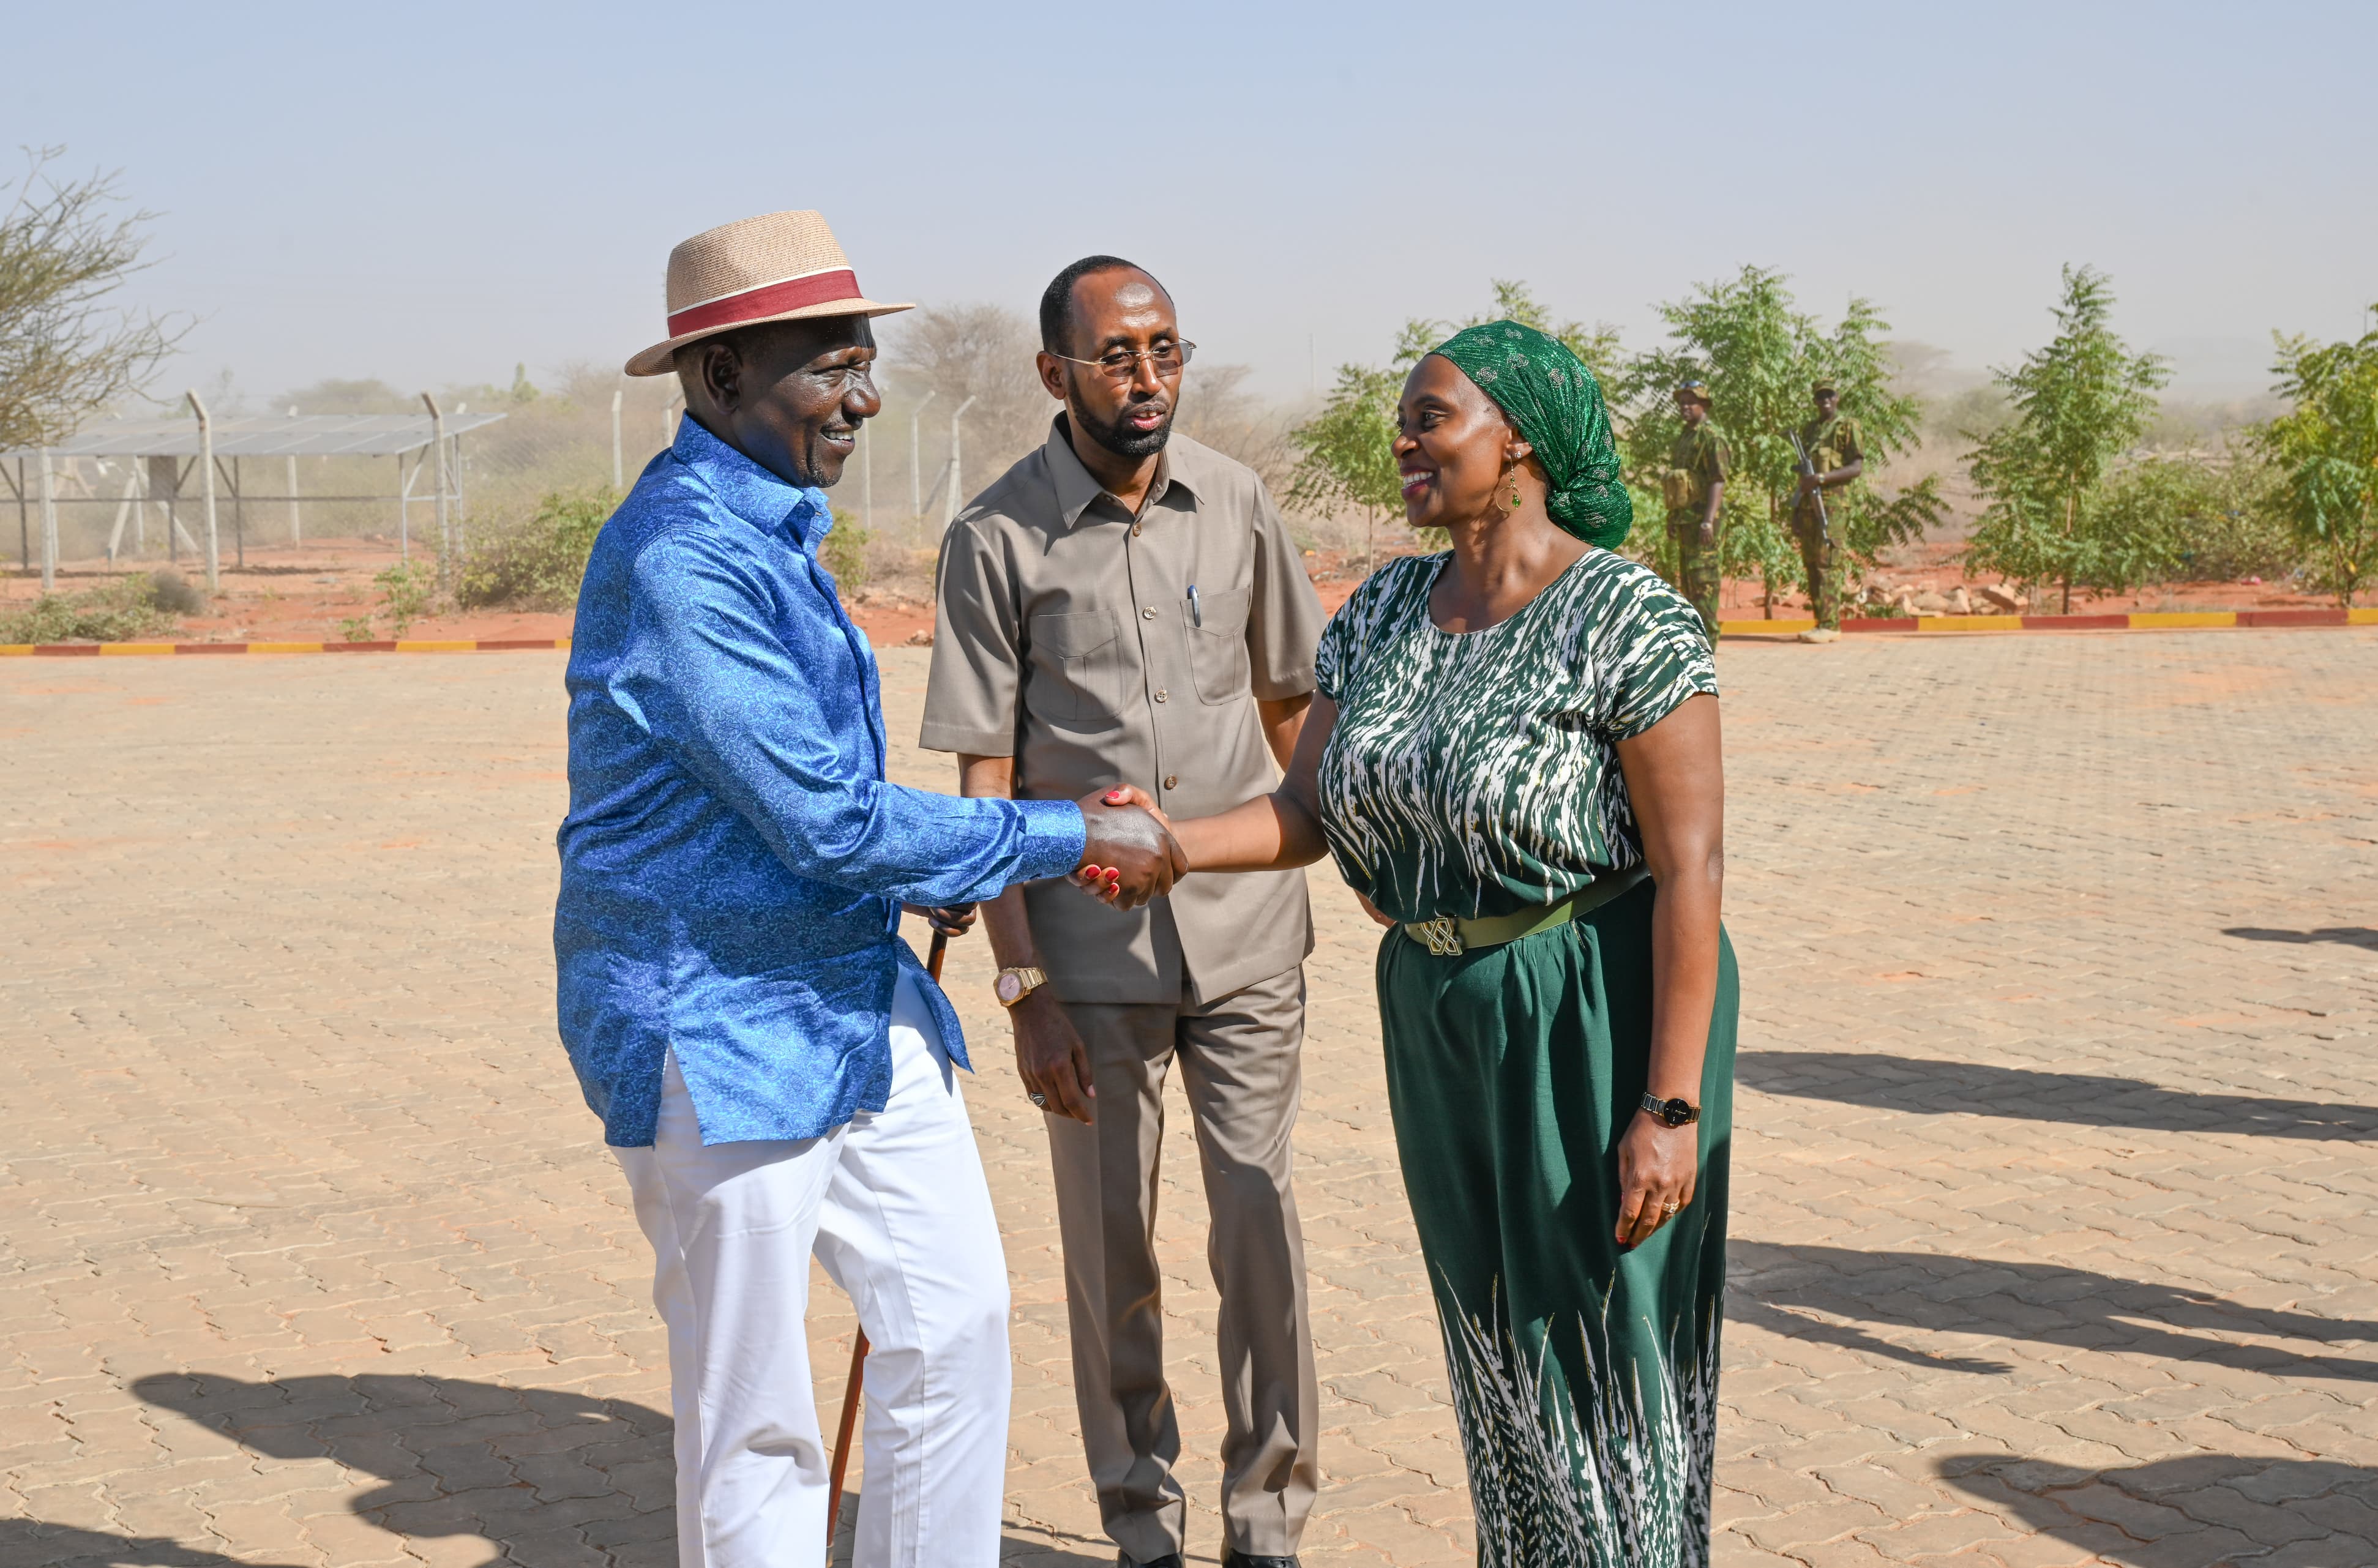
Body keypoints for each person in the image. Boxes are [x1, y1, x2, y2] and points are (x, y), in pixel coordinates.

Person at [554, 211, 1184, 1568]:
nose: (862, 391)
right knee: (757, 1422)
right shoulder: (682, 560)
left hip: (847, 995)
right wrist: (1068, 834)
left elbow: (838, 825)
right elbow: (829, 826)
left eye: (862, 359)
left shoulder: (780, 532)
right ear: (721, 377)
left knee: (951, 1324)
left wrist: (950, 864)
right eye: (828, 364)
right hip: (714, 1029)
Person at [1122, 321, 1738, 1566]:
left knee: (1603, 1329)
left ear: (1517, 439)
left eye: (1431, 416)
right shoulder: (1386, 609)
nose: (1403, 439)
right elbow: (1304, 811)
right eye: (1401, 419)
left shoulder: (1623, 615)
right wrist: (1175, 843)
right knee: (1495, 1326)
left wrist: (1668, 1105)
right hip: (1437, 1006)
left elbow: (1691, 871)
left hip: (1588, 997)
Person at [921, 255, 1326, 1568]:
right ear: (1054, 373)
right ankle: (1138, 1527)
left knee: (1257, 1226)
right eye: (1114, 355)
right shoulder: (995, 540)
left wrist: (1317, 825)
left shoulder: (1240, 505)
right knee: (1113, 1257)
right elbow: (986, 780)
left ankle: (1266, 1525)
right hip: (1087, 971)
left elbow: (1290, 712)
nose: (1145, 377)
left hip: (1248, 949)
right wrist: (1023, 986)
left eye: (1163, 350)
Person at [1791, 378, 1865, 644]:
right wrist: (1796, 510)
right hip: (1809, 504)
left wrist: (1822, 479)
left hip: (1832, 505)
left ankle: (1830, 624)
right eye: (1820, 396)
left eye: (1829, 396)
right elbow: (1803, 474)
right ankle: (1820, 621)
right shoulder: (1810, 430)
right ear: (1814, 400)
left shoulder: (1847, 427)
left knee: (1828, 563)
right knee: (1811, 563)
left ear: (1837, 398)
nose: (1825, 400)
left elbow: (1856, 467)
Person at [1662, 379, 1729, 640]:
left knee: (1705, 583)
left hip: (1704, 523)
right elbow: (1678, 483)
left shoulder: (1713, 438)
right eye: (1682, 403)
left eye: (1691, 402)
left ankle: (1708, 642)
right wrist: (1673, 517)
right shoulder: (1685, 436)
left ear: (1704, 405)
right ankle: (1694, 642)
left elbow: (1718, 480)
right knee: (1689, 584)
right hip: (1685, 520)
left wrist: (1708, 521)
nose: (1685, 407)